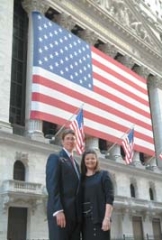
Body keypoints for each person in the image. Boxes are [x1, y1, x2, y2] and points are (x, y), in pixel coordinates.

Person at [46, 128, 82, 240]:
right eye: (68, 139)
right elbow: (52, 186)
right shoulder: (55, 158)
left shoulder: (76, 164)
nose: (70, 141)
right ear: (62, 141)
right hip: (61, 214)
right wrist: (58, 210)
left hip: (75, 216)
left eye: (73, 139)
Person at [81, 149, 114, 240]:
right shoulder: (81, 178)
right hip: (85, 221)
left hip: (100, 220)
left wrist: (107, 218)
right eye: (87, 159)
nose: (90, 161)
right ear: (84, 161)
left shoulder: (104, 175)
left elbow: (109, 198)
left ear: (96, 160)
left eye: (92, 158)